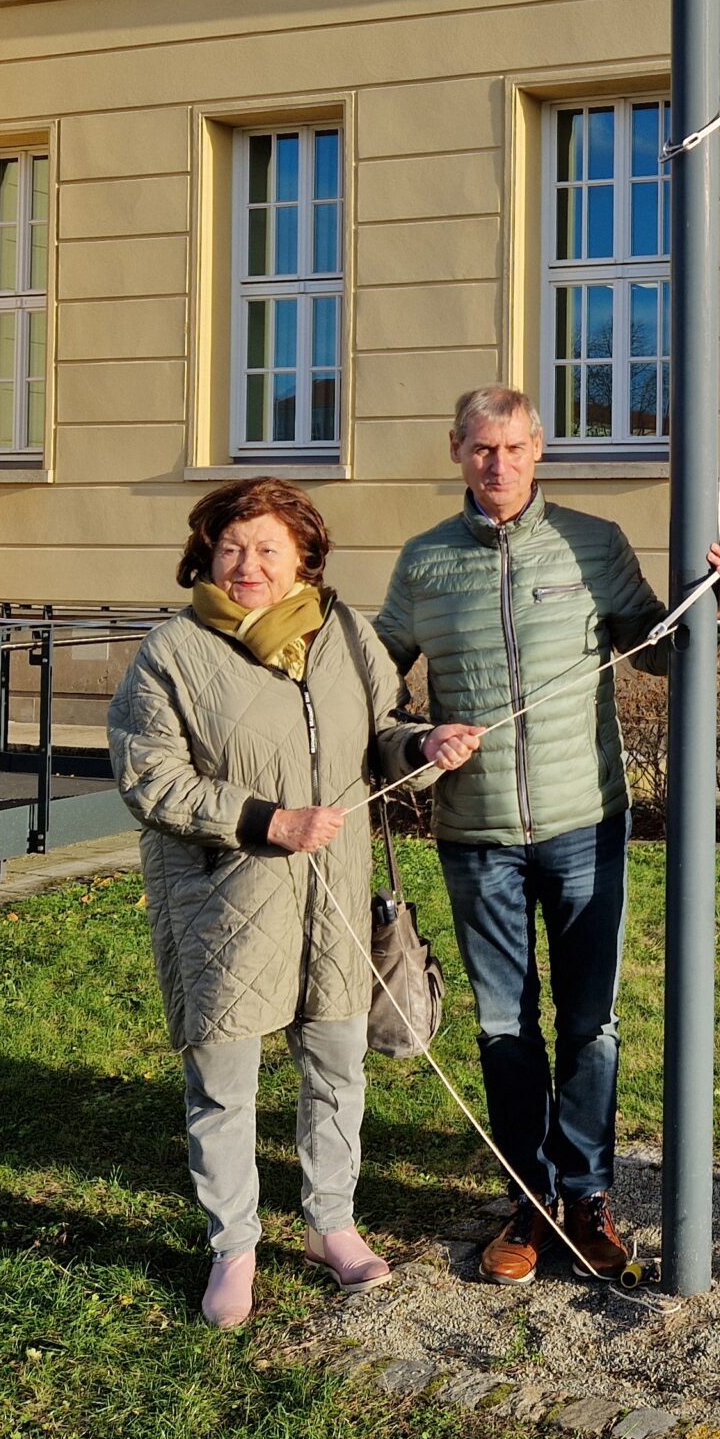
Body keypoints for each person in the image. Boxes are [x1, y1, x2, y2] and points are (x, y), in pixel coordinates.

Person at [373, 386, 720, 1285]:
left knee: (591, 1025)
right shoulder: (425, 564)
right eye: (478, 449)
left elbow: (658, 648)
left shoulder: (592, 543)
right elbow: (373, 684)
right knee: (505, 1026)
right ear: (455, 451)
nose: (496, 464)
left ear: (538, 449)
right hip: (476, 835)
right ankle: (528, 1201)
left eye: (512, 447)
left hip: (586, 824)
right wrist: (417, 741)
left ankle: (586, 1196)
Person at [109, 477, 435, 1330]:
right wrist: (264, 820)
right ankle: (234, 1246)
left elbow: (383, 733)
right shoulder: (173, 652)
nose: (246, 565)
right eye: (231, 548)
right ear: (207, 555)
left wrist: (427, 744)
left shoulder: (345, 633)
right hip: (224, 894)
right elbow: (149, 776)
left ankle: (331, 1224)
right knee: (224, 1081)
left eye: (266, 549)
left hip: (334, 892)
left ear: (304, 559)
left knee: (336, 1063)